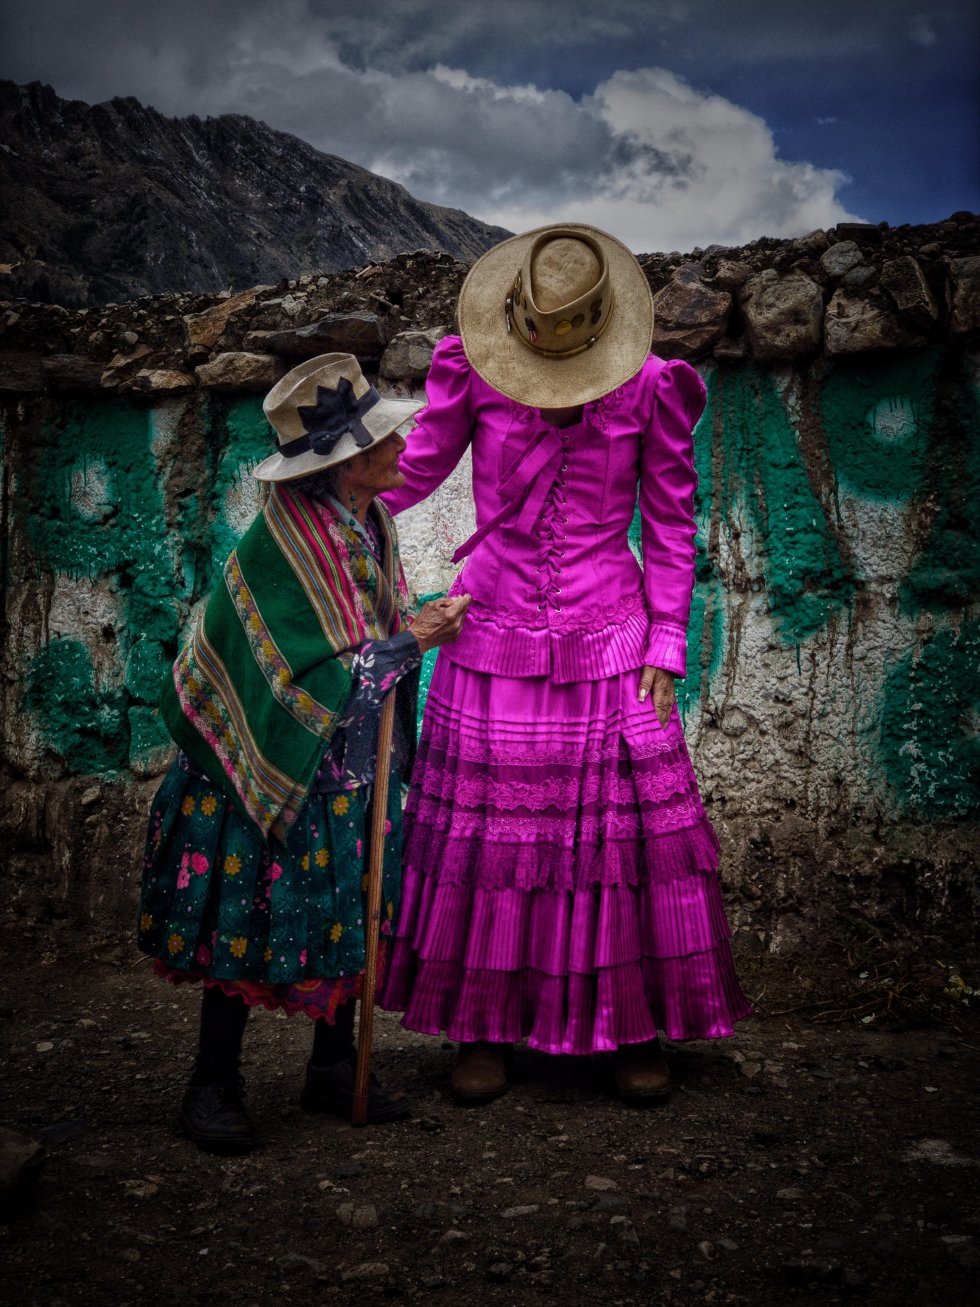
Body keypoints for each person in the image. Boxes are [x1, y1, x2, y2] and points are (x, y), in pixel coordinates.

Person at [380, 224, 752, 1103]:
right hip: (490, 637)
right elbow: (414, 472)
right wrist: (323, 505)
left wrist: (668, 641)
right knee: (490, 844)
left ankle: (633, 1024)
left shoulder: (654, 390)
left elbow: (668, 520)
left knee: (626, 844)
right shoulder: (468, 371)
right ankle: (483, 1029)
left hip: (613, 639)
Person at [137, 353, 470, 1152]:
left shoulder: (368, 523)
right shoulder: (281, 543)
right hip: (264, 763)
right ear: (350, 461)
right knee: (243, 915)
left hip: (345, 762)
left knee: (351, 906)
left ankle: (330, 1069)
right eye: (386, 440)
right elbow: (307, 671)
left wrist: (401, 637)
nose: (403, 446)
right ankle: (210, 1083)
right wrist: (410, 641)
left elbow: (359, 637)